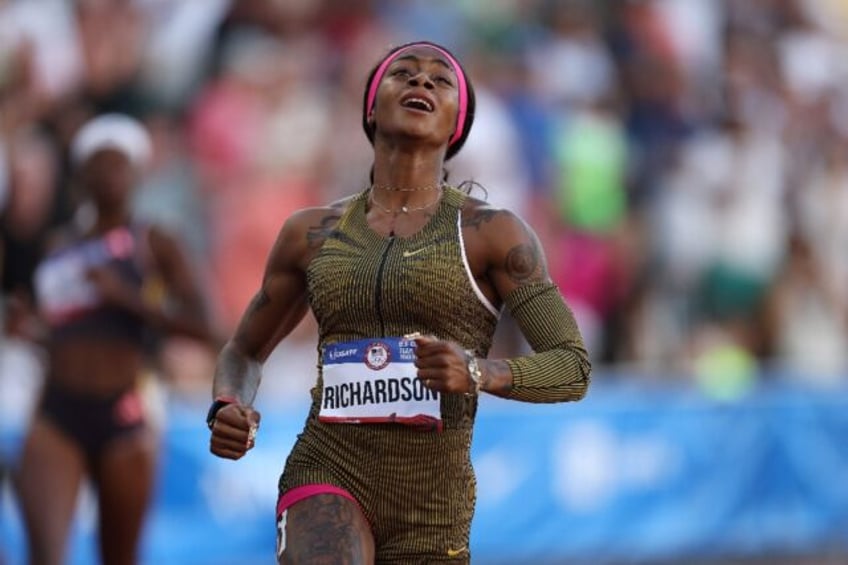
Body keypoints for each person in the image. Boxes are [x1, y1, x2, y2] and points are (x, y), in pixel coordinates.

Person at [208, 40, 591, 564]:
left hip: (433, 507)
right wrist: (229, 404)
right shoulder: (311, 233)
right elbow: (243, 352)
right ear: (371, 106)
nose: (422, 82)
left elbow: (572, 367)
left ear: (458, 122)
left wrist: (476, 372)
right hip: (328, 467)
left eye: (441, 79)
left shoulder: (491, 233)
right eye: (403, 73)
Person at [13, 113, 216, 565]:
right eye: (99, 165)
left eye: (120, 164)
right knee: (44, 555)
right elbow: (64, 333)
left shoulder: (154, 241)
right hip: (56, 411)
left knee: (119, 557)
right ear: (82, 175)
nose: (110, 175)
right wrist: (30, 330)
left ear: (138, 173)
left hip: (123, 411)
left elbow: (206, 328)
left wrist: (128, 298)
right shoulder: (58, 247)